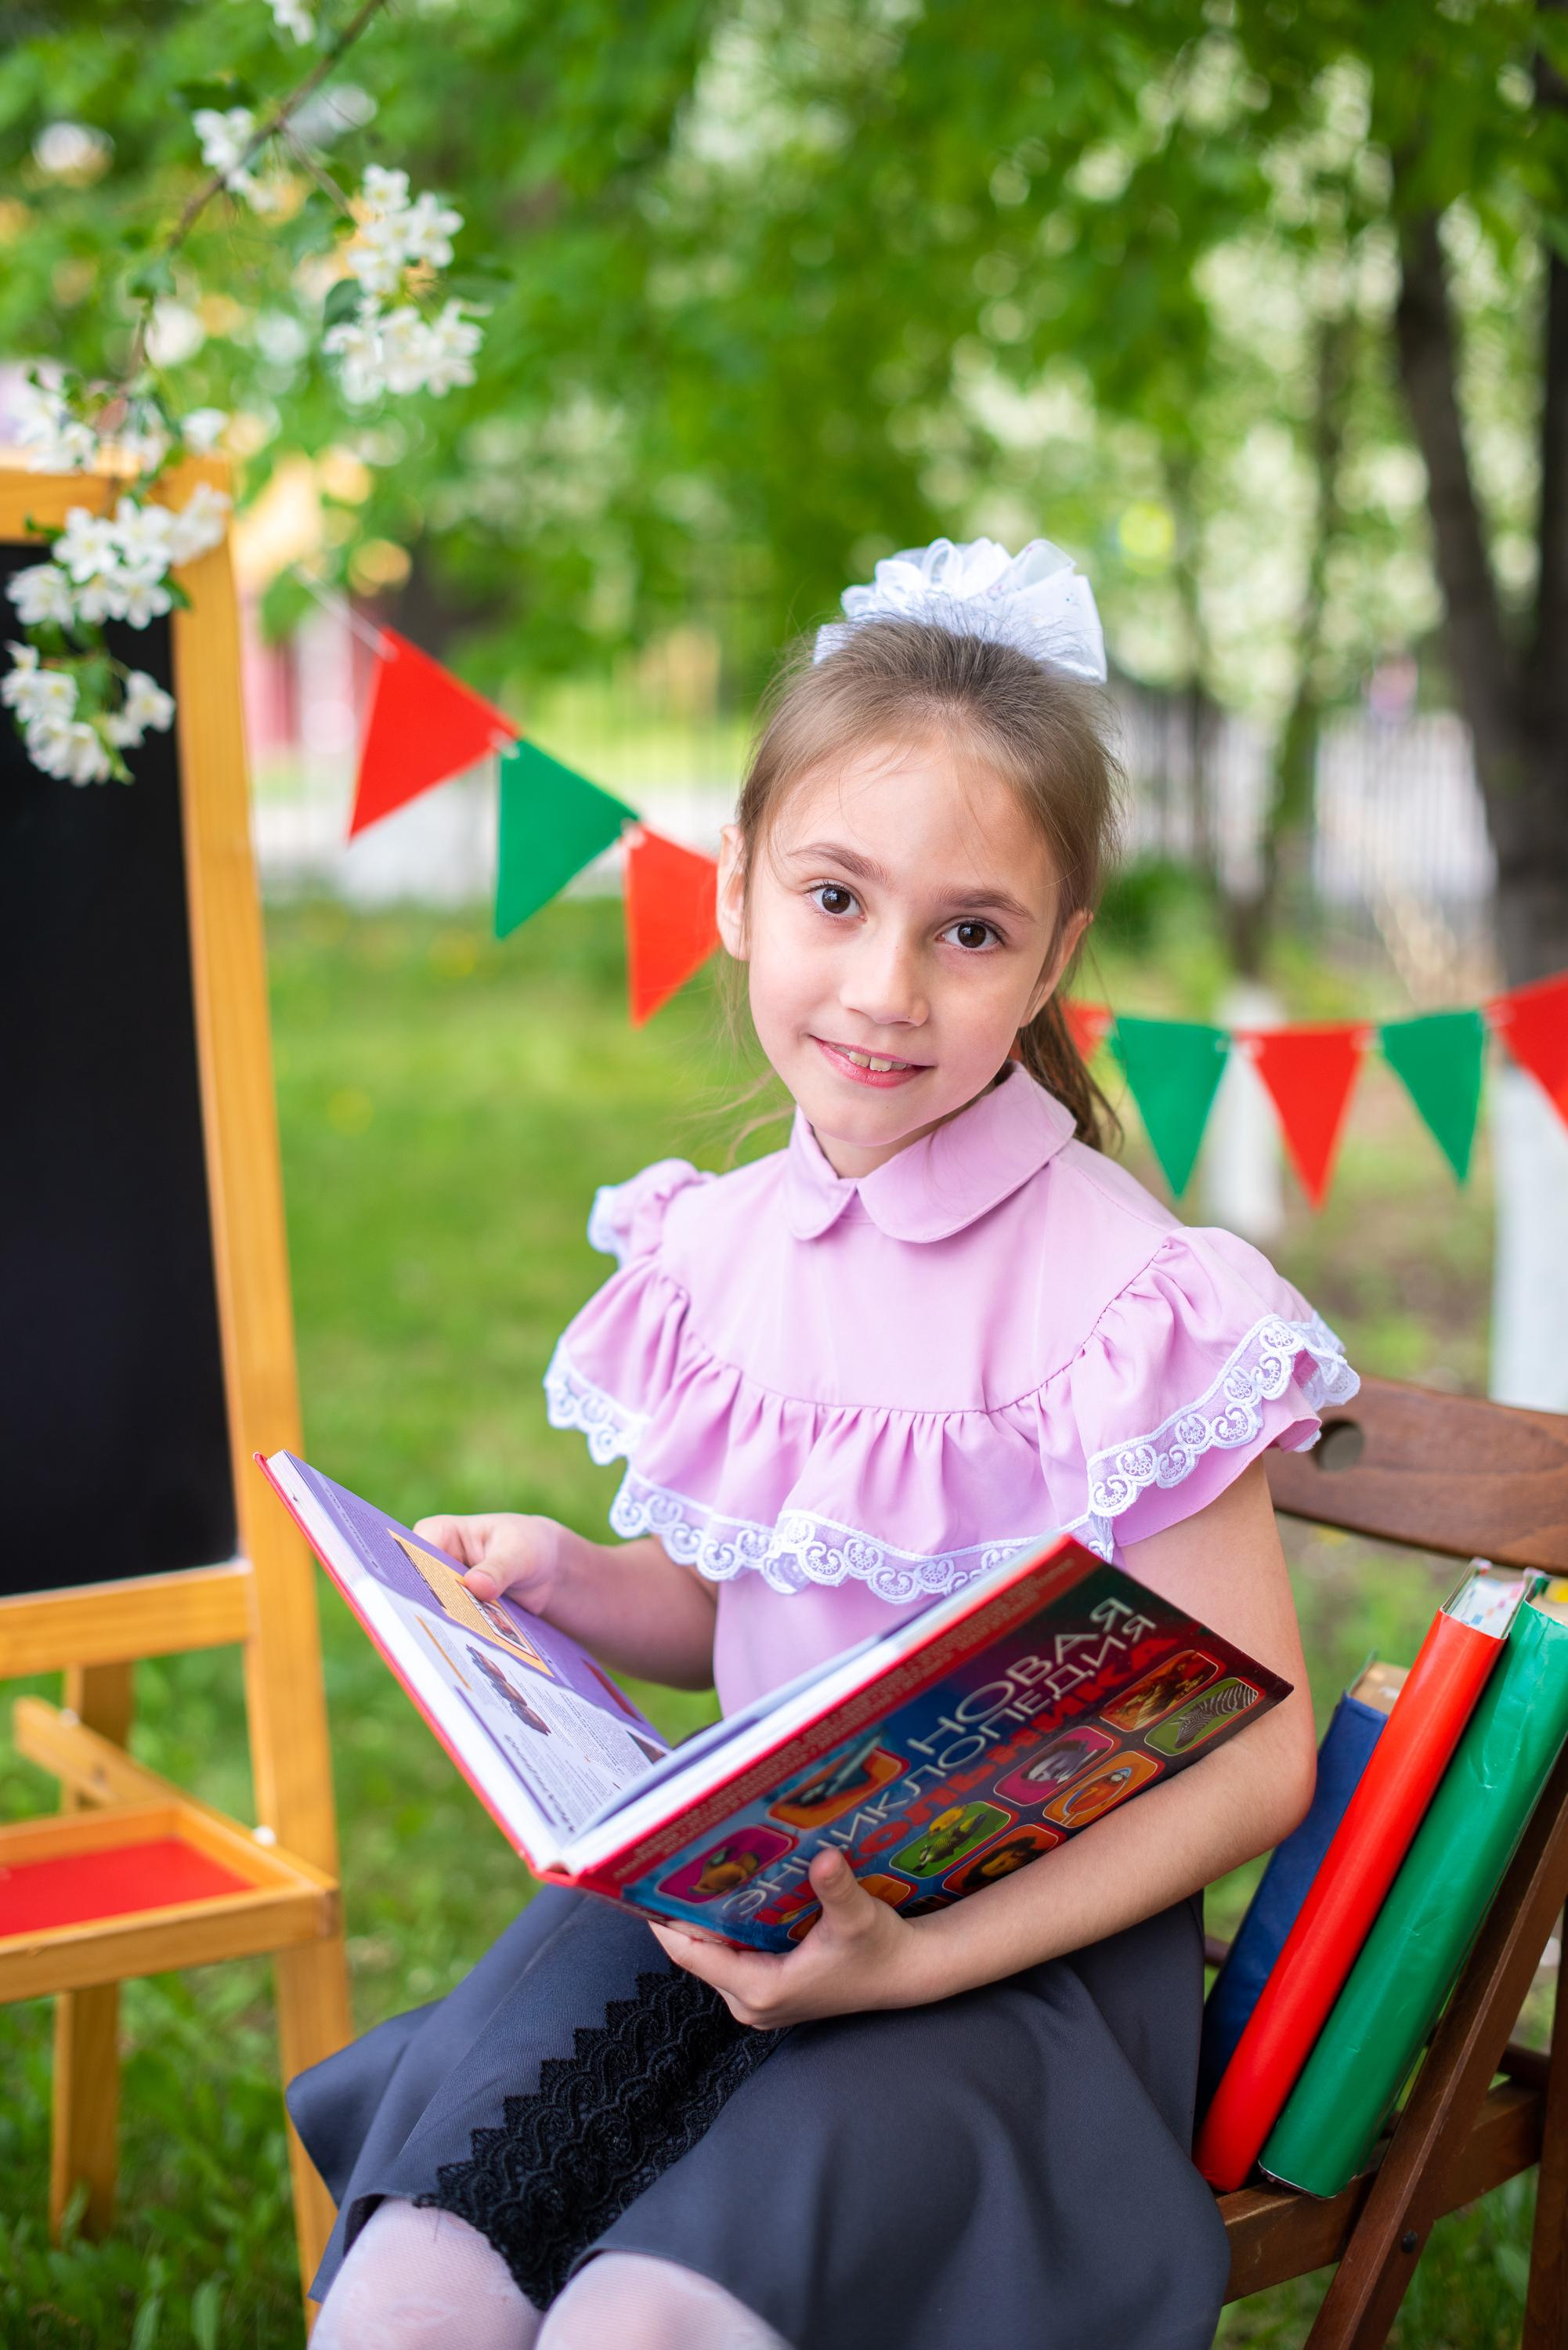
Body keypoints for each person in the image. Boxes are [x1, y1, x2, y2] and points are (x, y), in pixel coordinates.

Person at [293, 536, 1356, 2350]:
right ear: (735, 897)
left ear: (1052, 962)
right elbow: (751, 1622)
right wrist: (568, 1585)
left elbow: (1250, 1763)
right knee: (414, 2289)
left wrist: (916, 1954)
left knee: (649, 2322)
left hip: (1001, 1976)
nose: (882, 989)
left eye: (967, 931)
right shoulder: (713, 1249)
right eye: (835, 900)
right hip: (728, 1913)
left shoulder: (1123, 1299)